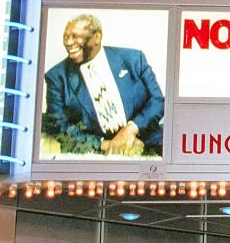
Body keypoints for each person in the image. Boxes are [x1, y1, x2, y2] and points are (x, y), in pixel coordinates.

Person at [42, 12, 164, 156]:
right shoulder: (57, 77)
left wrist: (130, 130)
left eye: (75, 36)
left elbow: (158, 101)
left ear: (97, 37)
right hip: (96, 153)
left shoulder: (133, 59)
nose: (68, 42)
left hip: (150, 143)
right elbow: (58, 126)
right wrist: (108, 145)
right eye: (66, 37)